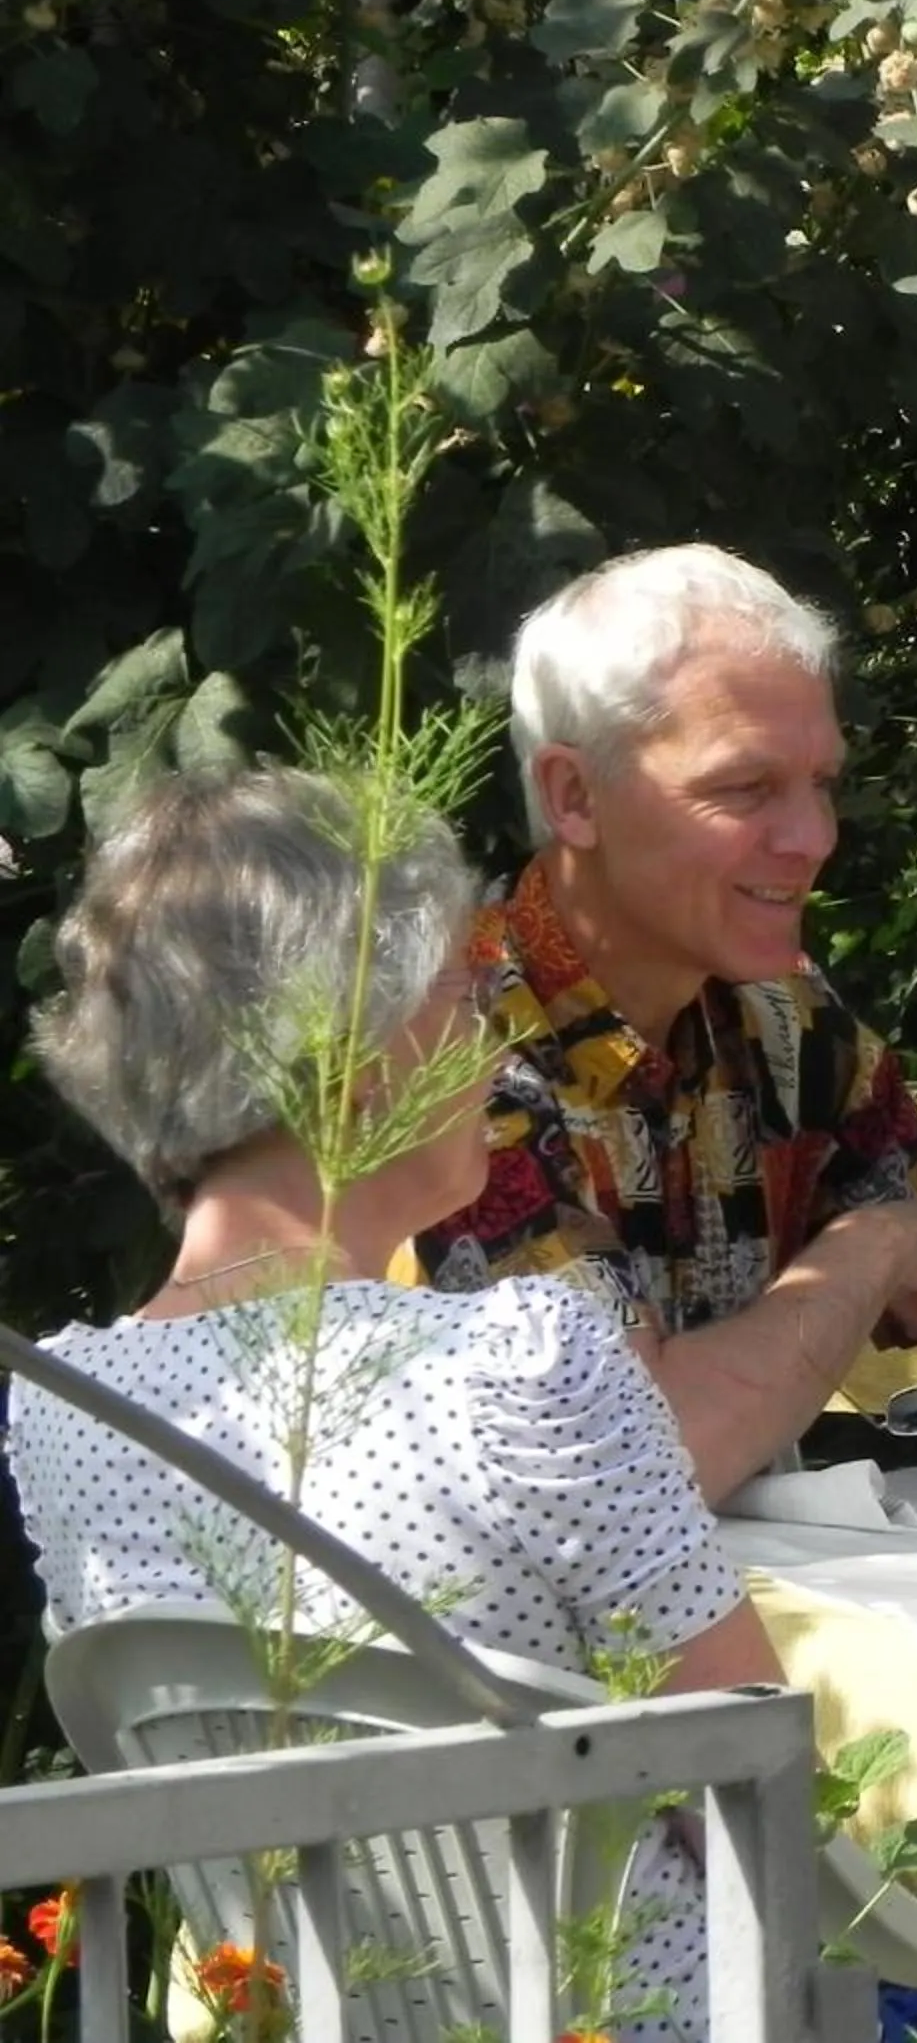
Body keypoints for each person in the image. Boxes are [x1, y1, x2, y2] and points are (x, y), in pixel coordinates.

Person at [11, 767, 772, 2039]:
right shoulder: (522, 1364)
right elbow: (758, 1792)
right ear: (355, 1060)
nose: (499, 1043)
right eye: (467, 998)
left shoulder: (61, 1411)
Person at [415, 544, 917, 1501]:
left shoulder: (785, 1020)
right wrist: (876, 1251)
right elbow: (630, 1464)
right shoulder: (442, 1052)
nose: (815, 838)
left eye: (820, 782)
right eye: (746, 787)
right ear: (575, 796)